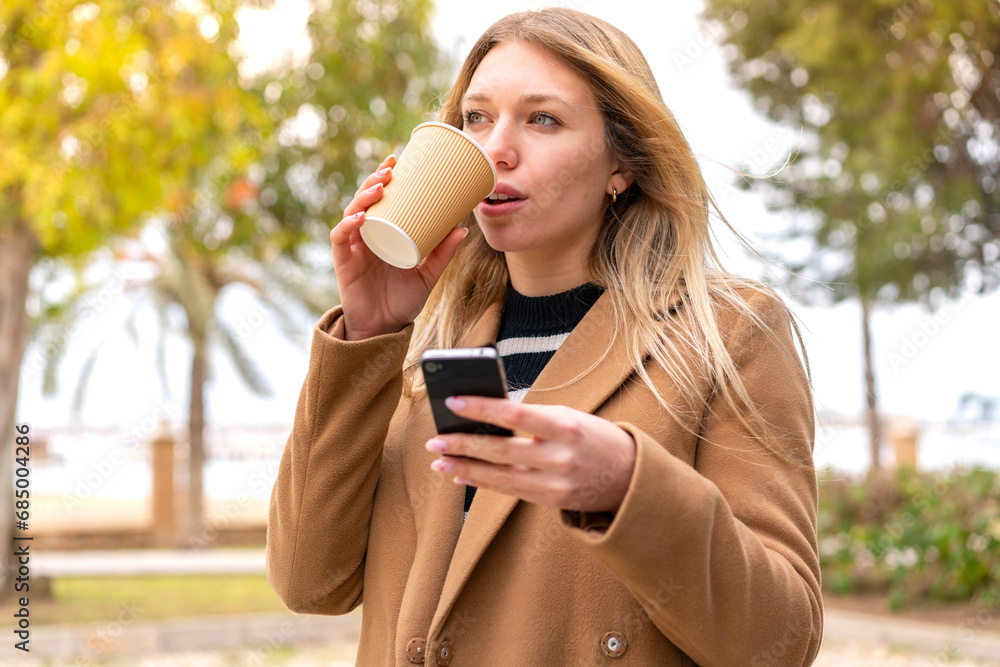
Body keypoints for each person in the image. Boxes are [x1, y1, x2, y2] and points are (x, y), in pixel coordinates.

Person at [266, 7, 822, 666]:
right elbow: (310, 582)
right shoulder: (421, 350)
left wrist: (627, 488)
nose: (494, 148)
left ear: (623, 162)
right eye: (475, 117)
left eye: (543, 119)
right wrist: (369, 330)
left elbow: (776, 639)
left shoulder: (728, 335)